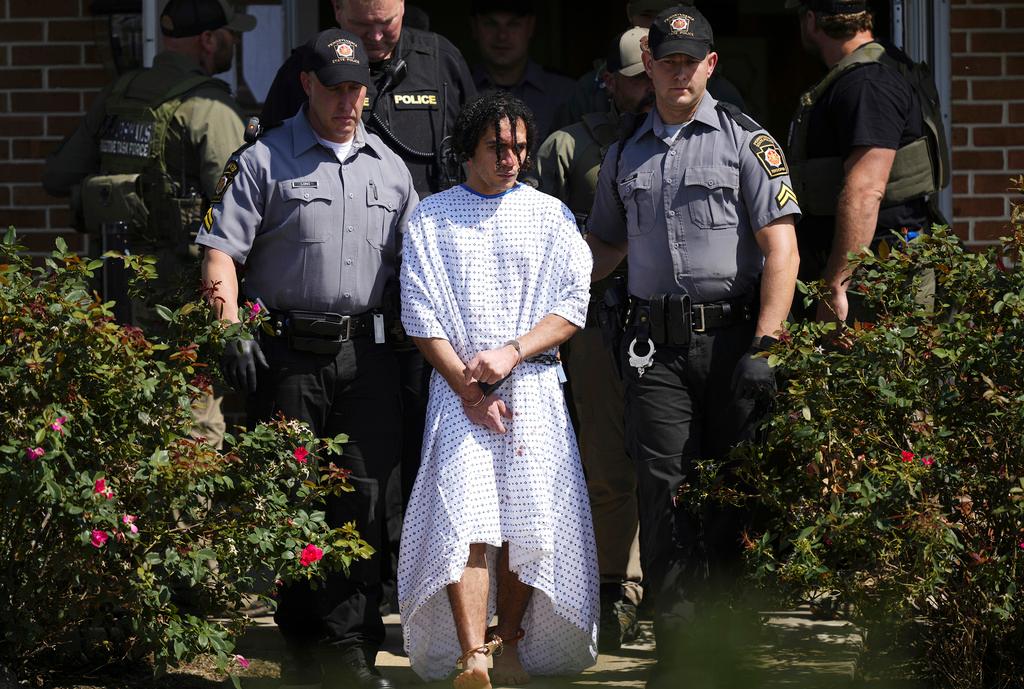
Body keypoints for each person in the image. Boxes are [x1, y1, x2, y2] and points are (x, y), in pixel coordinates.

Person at [196, 29, 417, 689]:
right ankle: (303, 642)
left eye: (358, 88)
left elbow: (419, 267)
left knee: (365, 500)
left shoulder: (391, 167)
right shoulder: (263, 160)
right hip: (288, 358)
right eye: (337, 87)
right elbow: (219, 255)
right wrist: (230, 330)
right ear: (309, 86)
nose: (350, 100)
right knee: (290, 499)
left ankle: (350, 647)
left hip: (370, 357)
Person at [585, 6, 800, 686]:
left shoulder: (747, 141)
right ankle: (678, 654)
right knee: (664, 489)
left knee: (733, 492)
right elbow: (606, 247)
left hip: (736, 339)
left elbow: (782, 250)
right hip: (655, 348)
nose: (678, 71)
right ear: (647, 65)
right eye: (666, 60)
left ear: (711, 65)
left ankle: (729, 645)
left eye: (691, 60)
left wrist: (767, 343)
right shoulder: (624, 152)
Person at [397, 92, 599, 689]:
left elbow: (573, 304)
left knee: (528, 522)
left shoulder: (550, 215)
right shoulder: (432, 217)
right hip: (458, 395)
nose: (511, 158)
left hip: (533, 388)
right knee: (468, 521)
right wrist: (470, 390)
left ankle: (508, 642)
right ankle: (471, 656)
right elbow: (421, 313)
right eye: (496, 147)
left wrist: (513, 352)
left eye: (518, 146)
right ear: (468, 150)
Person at [41, 0, 257, 450]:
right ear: (208, 39)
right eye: (231, 35)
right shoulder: (208, 108)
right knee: (191, 441)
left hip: (112, 295)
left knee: (122, 430)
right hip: (179, 301)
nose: (234, 43)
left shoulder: (119, 95)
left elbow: (57, 175)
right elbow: (243, 208)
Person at [532, 26, 653, 652]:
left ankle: (676, 582)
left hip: (671, 319)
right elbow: (533, 234)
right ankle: (617, 584)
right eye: (637, 76)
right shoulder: (565, 146)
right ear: (610, 79)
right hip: (598, 316)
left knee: (670, 458)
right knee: (605, 460)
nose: (647, 88)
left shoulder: (696, 140)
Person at [786, 0, 947, 322]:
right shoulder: (879, 67)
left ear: (811, 20)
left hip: (876, 269)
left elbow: (865, 191)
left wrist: (836, 286)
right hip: (872, 261)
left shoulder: (866, 83)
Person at [260, 0, 476, 198]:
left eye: (386, 22)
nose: (376, 36)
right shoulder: (307, 69)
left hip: (434, 222)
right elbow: (269, 156)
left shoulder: (441, 60)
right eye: (362, 24)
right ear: (338, 9)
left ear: (402, 6)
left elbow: (481, 143)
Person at [550, 0, 745, 132]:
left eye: (671, 16)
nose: (658, 24)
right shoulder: (592, 88)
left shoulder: (721, 91)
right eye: (648, 15)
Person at [469, 0, 574, 141]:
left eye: (513, 25)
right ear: (474, 27)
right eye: (491, 24)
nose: (502, 36)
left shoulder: (566, 94)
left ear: (530, 26)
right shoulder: (456, 90)